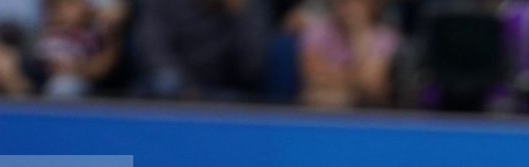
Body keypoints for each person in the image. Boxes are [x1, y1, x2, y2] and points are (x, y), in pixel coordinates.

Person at [134, 0, 272, 100]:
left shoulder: (246, 7)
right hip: (171, 91)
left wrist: (240, 15)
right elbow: (154, 51)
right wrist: (183, 89)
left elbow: (251, 69)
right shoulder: (162, 4)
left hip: (222, 96)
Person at [298, 0, 400, 108]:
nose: (350, 7)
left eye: (358, 3)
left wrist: (357, 33)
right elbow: (315, 78)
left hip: (364, 112)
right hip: (317, 110)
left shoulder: (384, 37)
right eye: (344, 2)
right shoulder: (315, 32)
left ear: (371, 5)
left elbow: (371, 82)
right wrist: (354, 82)